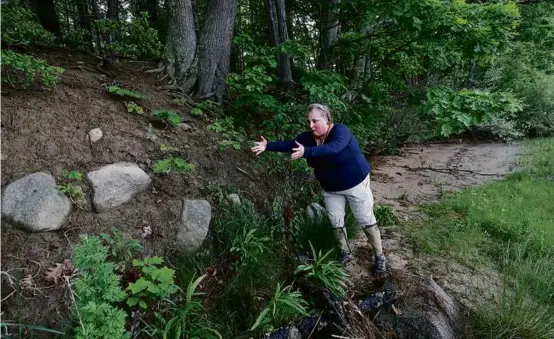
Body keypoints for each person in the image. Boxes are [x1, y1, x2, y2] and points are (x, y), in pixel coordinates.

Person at [251, 103, 387, 274]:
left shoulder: (341, 132)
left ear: (327, 119)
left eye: (315, 121)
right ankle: (345, 253)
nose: (311, 125)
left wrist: (307, 152)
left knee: (365, 219)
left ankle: (380, 256)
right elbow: (289, 145)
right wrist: (267, 146)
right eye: (309, 121)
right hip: (330, 188)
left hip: (356, 184)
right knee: (336, 221)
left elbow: (333, 148)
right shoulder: (308, 138)